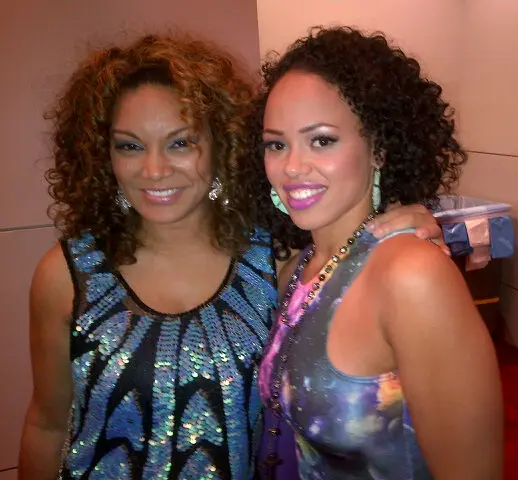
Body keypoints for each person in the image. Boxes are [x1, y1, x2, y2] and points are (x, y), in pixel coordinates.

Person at [18, 33, 443, 480]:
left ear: (221, 143)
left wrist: (401, 221)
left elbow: (358, 263)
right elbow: (47, 424)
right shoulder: (69, 274)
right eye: (130, 146)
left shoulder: (273, 260)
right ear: (103, 157)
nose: (154, 169)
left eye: (180, 143)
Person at [253, 27, 504, 479]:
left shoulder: (412, 274)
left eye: (321, 140)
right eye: (277, 144)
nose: (292, 167)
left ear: (380, 150)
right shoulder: (296, 267)